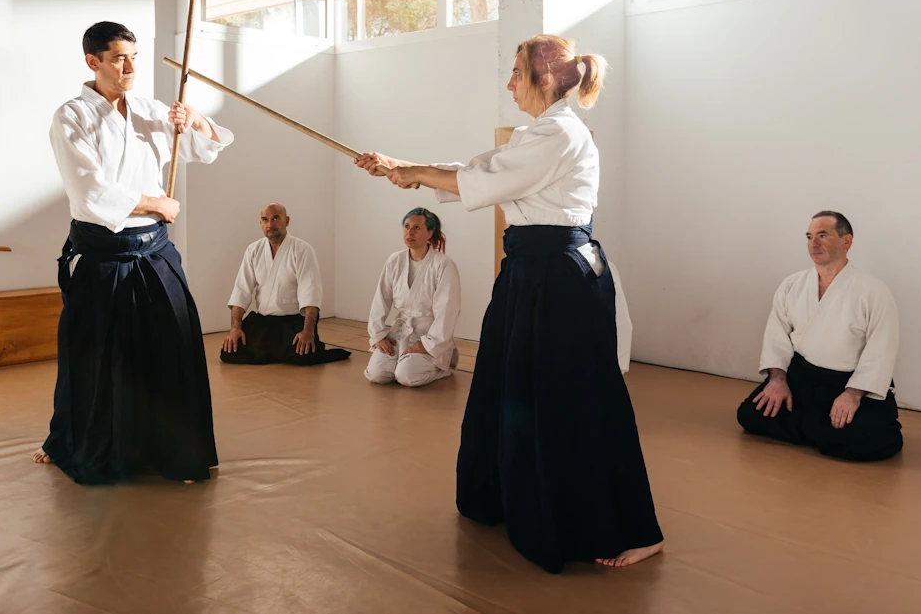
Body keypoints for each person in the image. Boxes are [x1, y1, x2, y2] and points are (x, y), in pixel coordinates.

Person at [356, 35, 663, 573]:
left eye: (516, 73)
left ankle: (630, 527)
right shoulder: (539, 133)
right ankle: (510, 497)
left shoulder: (561, 133)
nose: (508, 84)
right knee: (512, 389)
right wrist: (405, 167)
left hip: (560, 282)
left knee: (572, 398)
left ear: (543, 79)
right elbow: (481, 166)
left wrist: (415, 172)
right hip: (528, 273)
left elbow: (484, 179)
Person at [33, 21, 232, 484]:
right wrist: (155, 203)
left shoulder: (149, 109)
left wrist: (194, 121)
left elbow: (206, 149)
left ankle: (173, 451)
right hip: (103, 255)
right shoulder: (71, 117)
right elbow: (89, 194)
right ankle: (73, 443)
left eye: (135, 57)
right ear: (93, 61)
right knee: (96, 358)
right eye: (119, 57)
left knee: (173, 349)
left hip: (156, 251)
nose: (130, 66)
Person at [736, 211, 903, 461]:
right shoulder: (792, 284)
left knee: (870, 441)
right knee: (750, 415)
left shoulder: (873, 290)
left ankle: (814, 429)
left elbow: (882, 347)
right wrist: (777, 380)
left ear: (846, 241)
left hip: (846, 383)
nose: (814, 244)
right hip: (801, 378)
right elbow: (777, 335)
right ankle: (822, 432)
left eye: (823, 235)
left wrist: (853, 395)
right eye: (809, 236)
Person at [220, 203, 349, 365]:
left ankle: (290, 349)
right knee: (230, 353)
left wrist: (308, 331)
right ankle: (274, 350)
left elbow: (310, 293)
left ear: (286, 221)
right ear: (260, 223)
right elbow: (241, 291)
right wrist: (235, 329)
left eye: (276, 218)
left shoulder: (302, 250)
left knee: (303, 357)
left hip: (293, 321)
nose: (270, 224)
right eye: (265, 219)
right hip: (264, 322)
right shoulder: (254, 250)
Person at [365, 208, 462, 388]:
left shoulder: (443, 264)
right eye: (407, 226)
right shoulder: (395, 260)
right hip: (400, 331)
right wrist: (378, 335)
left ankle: (443, 365)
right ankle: (402, 361)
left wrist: (427, 344)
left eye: (417, 228)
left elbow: (448, 312)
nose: (409, 232)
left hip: (430, 333)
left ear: (430, 233)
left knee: (407, 376)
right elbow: (381, 300)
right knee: (376, 374)